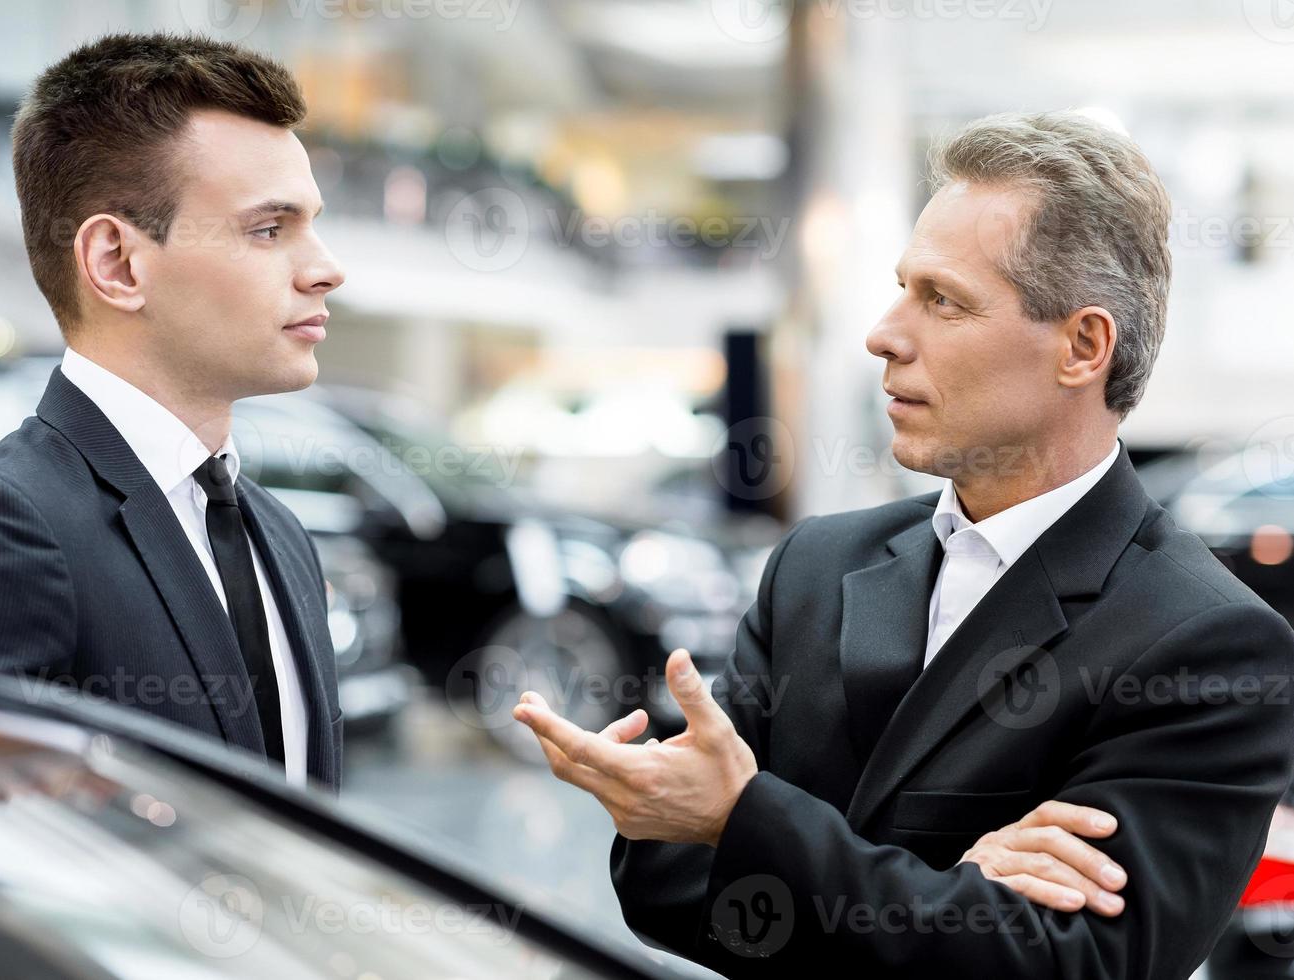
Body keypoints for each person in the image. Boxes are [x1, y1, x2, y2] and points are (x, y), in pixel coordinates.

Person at [514, 111, 1294, 978]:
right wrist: (957, 893)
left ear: (1082, 345)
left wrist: (746, 822)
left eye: (942, 300)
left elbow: (1072, 969)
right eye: (900, 288)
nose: (884, 333)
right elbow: (662, 877)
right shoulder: (814, 566)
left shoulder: (1208, 639)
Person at [0, 33, 347, 790]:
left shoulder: (282, 536)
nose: (326, 269)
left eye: (312, 222)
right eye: (269, 228)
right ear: (117, 264)